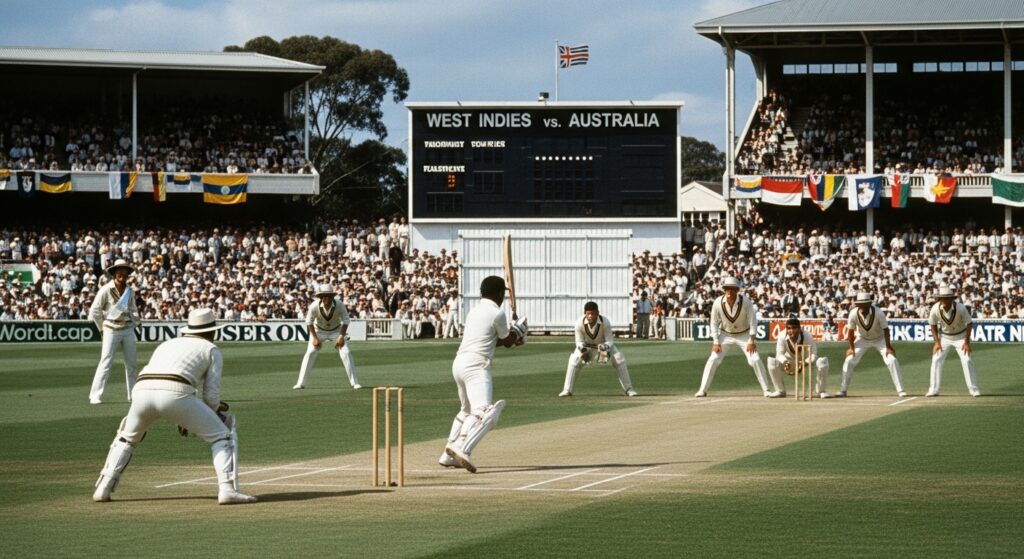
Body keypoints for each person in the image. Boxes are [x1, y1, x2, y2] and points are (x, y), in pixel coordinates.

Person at [92, 308, 257, 505]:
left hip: (141, 391)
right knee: (224, 434)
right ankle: (228, 490)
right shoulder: (211, 349)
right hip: (176, 393)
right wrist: (199, 413)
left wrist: (187, 416)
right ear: (212, 331)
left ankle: (103, 488)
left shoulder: (167, 344)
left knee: (127, 438)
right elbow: (211, 398)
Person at [440, 276, 527, 473]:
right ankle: (463, 449)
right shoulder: (497, 313)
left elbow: (491, 340)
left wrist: (517, 335)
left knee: (466, 410)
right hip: (476, 366)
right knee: (486, 413)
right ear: (499, 294)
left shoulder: (475, 311)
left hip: (459, 363)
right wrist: (519, 330)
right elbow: (507, 340)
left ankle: (448, 455)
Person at [695, 276, 782, 398]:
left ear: (737, 290)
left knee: (755, 359)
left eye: (732, 289)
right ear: (724, 290)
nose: (729, 292)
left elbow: (753, 321)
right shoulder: (717, 303)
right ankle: (702, 390)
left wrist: (751, 340)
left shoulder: (746, 302)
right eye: (727, 289)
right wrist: (715, 341)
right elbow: (714, 323)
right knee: (713, 359)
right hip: (725, 335)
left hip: (744, 335)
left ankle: (766, 389)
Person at [88, 259, 140, 404]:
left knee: (132, 364)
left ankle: (133, 395)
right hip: (111, 328)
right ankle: (95, 395)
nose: (123, 278)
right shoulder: (105, 289)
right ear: (114, 275)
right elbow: (95, 310)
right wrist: (101, 328)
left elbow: (133, 308)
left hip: (128, 329)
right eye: (120, 275)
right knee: (106, 362)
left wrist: (136, 320)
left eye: (125, 275)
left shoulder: (130, 291)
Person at [559, 301, 637, 397]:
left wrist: (604, 348)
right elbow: (578, 341)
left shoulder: (605, 322)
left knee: (618, 358)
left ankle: (629, 389)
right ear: (585, 313)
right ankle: (567, 390)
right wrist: (583, 350)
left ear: (597, 313)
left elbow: (610, 341)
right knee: (574, 360)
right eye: (588, 313)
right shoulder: (579, 323)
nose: (590, 316)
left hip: (603, 346)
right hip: (587, 347)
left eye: (593, 313)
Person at [837, 292, 907, 397]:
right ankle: (843, 390)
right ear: (858, 305)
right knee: (849, 360)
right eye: (861, 304)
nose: (863, 306)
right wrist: (851, 348)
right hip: (862, 339)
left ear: (870, 303)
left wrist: (888, 347)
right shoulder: (853, 313)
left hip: (880, 339)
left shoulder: (878, 313)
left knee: (892, 360)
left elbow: (886, 330)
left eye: (866, 303)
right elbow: (851, 332)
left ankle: (901, 390)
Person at [293, 283, 360, 390]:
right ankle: (300, 383)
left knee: (346, 352)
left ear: (332, 296)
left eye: (328, 295)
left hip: (336, 331)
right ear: (320, 297)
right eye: (323, 295)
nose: (326, 298)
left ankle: (354, 383)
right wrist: (314, 337)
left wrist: (341, 336)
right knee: (310, 352)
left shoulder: (339, 304)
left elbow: (346, 320)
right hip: (318, 331)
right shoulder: (314, 305)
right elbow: (309, 322)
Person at [927, 286, 979, 397]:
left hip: (960, 337)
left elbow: (969, 323)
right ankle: (934, 389)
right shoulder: (935, 308)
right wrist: (936, 342)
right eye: (943, 298)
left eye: (948, 298)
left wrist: (967, 342)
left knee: (967, 360)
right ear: (939, 299)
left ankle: (973, 389)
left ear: (952, 299)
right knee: (936, 359)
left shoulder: (960, 308)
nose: (945, 301)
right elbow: (933, 324)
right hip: (944, 337)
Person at [767, 317, 830, 399]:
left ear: (800, 329)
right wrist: (786, 363)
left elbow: (814, 354)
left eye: (794, 328)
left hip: (807, 362)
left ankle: (821, 391)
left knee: (822, 362)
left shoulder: (807, 335)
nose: (791, 331)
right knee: (772, 362)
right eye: (789, 328)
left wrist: (805, 362)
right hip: (791, 362)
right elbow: (779, 354)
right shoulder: (782, 336)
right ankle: (780, 391)